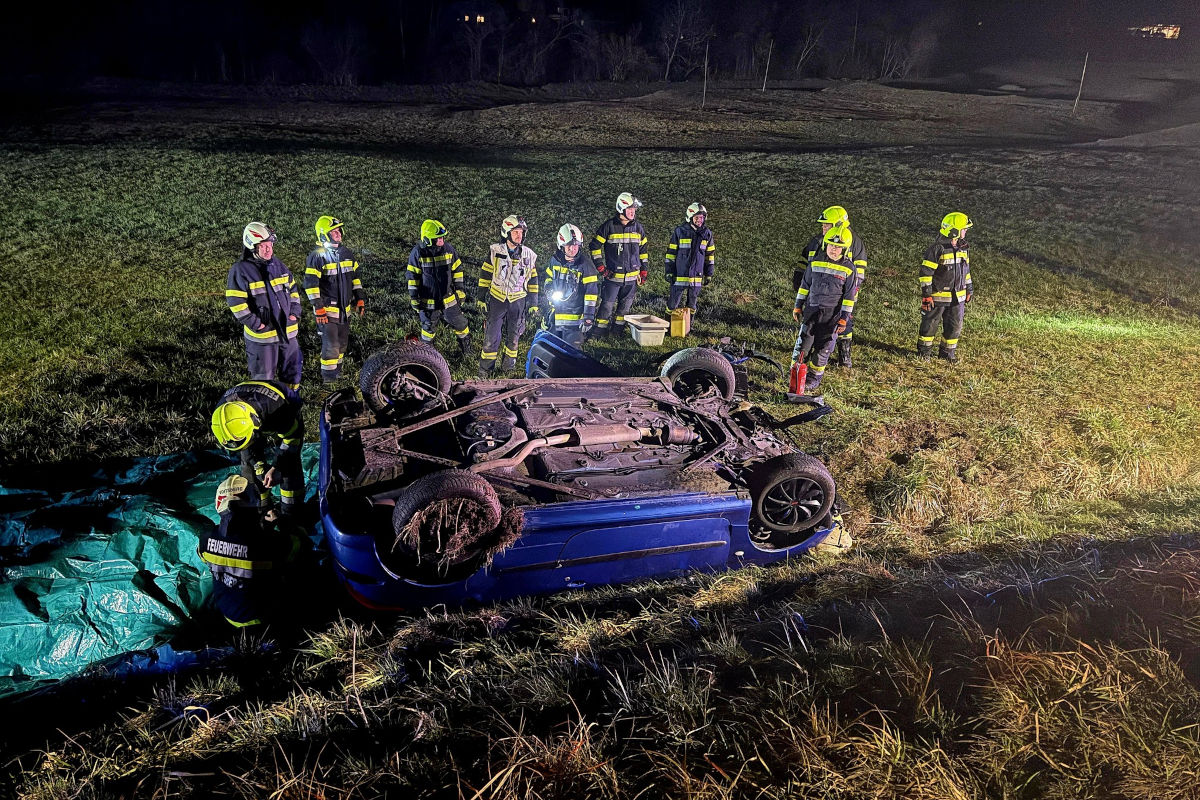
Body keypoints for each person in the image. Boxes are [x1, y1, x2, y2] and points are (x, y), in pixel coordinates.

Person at [199, 475, 303, 629]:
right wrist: (282, 523)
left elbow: (235, 547)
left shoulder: (206, 540)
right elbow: (298, 545)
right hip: (261, 615)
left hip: (227, 612)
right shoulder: (269, 543)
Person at [210, 379, 304, 520]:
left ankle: (291, 512)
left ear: (255, 422)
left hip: (281, 406)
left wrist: (276, 466)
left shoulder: (279, 410)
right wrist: (257, 465)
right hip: (250, 415)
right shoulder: (224, 415)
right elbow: (248, 451)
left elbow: (292, 440)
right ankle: (262, 509)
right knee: (249, 467)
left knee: (289, 465)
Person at [225, 222, 302, 389]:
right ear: (252, 247)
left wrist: (294, 314)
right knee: (263, 381)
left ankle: (290, 405)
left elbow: (294, 290)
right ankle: (265, 411)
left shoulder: (279, 266)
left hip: (288, 334)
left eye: (270, 245)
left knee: (292, 374)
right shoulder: (241, 270)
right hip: (263, 339)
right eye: (263, 246)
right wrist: (256, 324)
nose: (268, 250)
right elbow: (235, 302)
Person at [791, 224, 857, 394]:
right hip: (812, 310)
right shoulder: (815, 261)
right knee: (803, 344)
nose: (834, 250)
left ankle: (813, 378)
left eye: (838, 247)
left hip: (831, 316)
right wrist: (798, 305)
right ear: (825, 244)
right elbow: (805, 285)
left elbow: (849, 297)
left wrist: (844, 318)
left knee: (823, 347)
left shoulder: (849, 269)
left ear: (845, 249)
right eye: (831, 245)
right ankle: (795, 374)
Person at [798, 206, 868, 368]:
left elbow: (860, 272)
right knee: (813, 324)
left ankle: (844, 355)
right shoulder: (817, 241)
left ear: (838, 224)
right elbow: (806, 262)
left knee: (844, 323)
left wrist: (849, 293)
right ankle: (808, 355)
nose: (823, 227)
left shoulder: (855, 243)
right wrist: (799, 278)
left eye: (827, 224)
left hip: (842, 295)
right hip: (819, 294)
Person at [304, 216, 365, 384]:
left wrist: (359, 298)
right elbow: (311, 285)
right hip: (327, 311)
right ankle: (329, 380)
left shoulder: (347, 254)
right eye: (333, 231)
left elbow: (355, 279)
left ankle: (337, 373)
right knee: (331, 346)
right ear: (324, 235)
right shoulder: (317, 257)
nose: (338, 233)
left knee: (342, 344)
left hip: (345, 311)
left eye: (339, 230)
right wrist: (319, 308)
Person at [477, 215, 539, 375]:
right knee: (491, 337)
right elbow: (485, 276)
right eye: (516, 232)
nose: (520, 235)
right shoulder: (495, 251)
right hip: (497, 300)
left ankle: (508, 368)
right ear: (507, 232)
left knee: (514, 337)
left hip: (518, 301)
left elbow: (533, 281)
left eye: (521, 232)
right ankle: (485, 370)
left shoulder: (529, 255)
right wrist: (481, 298)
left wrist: (533, 304)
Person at [407, 219, 472, 359]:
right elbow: (412, 277)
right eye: (438, 238)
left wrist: (460, 290)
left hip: (449, 299)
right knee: (428, 330)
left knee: (461, 324)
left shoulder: (448, 250)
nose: (442, 240)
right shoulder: (418, 253)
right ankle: (428, 356)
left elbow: (457, 270)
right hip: (428, 302)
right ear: (427, 239)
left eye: (442, 237)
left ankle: (466, 350)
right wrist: (414, 297)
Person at [918, 212, 974, 363]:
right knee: (930, 325)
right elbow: (925, 274)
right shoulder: (937, 249)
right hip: (937, 297)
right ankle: (924, 353)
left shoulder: (963, 249)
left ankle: (947, 354)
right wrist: (927, 294)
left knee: (955, 326)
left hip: (958, 298)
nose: (966, 231)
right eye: (964, 229)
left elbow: (966, 271)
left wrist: (969, 289)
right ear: (954, 230)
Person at [591, 192, 648, 334]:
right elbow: (594, 247)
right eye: (630, 209)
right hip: (612, 277)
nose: (633, 212)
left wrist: (644, 270)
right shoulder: (608, 226)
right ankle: (598, 332)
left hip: (631, 279)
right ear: (621, 209)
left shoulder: (638, 228)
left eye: (634, 209)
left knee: (625, 308)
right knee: (607, 306)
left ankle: (617, 332)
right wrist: (601, 268)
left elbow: (643, 251)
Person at [543, 223, 600, 346]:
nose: (572, 249)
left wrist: (589, 317)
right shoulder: (555, 261)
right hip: (556, 315)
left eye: (576, 245)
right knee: (552, 347)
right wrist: (548, 289)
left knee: (572, 351)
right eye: (569, 245)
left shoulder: (586, 265)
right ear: (561, 245)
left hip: (575, 320)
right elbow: (548, 278)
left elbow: (591, 293)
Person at [665, 202, 716, 315]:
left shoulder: (707, 234)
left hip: (696, 276)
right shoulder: (680, 231)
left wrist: (709, 273)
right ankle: (668, 325)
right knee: (673, 303)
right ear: (690, 217)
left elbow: (710, 255)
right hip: (679, 275)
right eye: (697, 217)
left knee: (692, 305)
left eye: (702, 218)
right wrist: (669, 271)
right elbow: (671, 253)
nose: (700, 220)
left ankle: (688, 328)